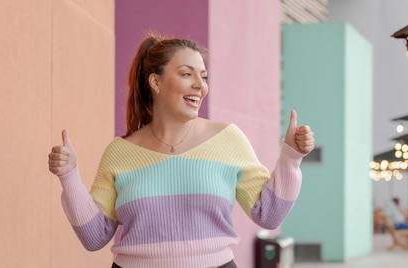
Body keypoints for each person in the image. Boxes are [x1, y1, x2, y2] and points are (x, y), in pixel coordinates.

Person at [47, 34, 315, 268]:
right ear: (156, 82)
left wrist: (290, 158)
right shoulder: (120, 152)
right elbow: (94, 237)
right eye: (187, 74)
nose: (201, 84)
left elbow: (267, 215)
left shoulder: (227, 139)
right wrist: (69, 176)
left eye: (204, 76)